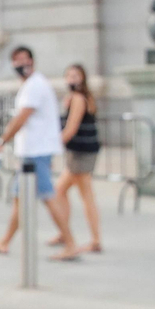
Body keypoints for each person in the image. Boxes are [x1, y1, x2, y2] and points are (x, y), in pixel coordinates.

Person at [0, 46, 74, 259]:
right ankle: (4, 242)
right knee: (19, 198)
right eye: (16, 60)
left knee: (48, 196)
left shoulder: (35, 85)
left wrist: (2, 141)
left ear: (32, 61)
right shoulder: (32, 84)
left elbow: (22, 117)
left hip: (36, 152)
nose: (21, 64)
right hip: (31, 152)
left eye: (24, 59)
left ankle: (70, 242)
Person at [53, 63, 101, 258]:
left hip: (81, 153)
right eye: (69, 75)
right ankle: (64, 233)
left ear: (82, 78)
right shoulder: (76, 98)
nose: (72, 79)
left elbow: (71, 128)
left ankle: (95, 239)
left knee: (82, 194)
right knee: (62, 191)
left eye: (75, 75)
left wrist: (52, 146)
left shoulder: (79, 98)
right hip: (81, 152)